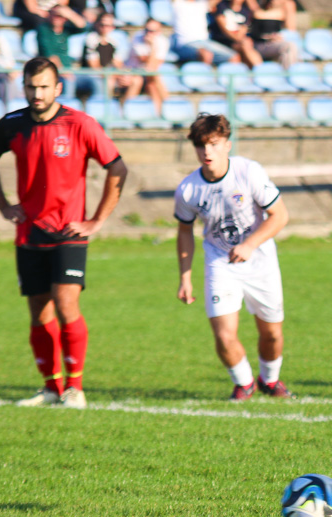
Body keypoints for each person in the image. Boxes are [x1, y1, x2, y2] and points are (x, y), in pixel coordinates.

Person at [0, 57, 128, 409]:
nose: (37, 93)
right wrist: (3, 205)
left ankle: (75, 388)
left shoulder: (80, 124)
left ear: (58, 88)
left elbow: (117, 168)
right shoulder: (12, 124)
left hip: (69, 231)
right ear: (24, 87)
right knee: (39, 313)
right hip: (29, 233)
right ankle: (51, 387)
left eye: (44, 86)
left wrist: (96, 220)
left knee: (65, 304)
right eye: (31, 86)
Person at [175, 113, 292, 402]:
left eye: (214, 144)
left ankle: (270, 379)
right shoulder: (188, 189)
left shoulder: (248, 172)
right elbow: (184, 232)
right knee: (224, 336)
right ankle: (244, 383)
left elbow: (280, 215)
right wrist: (185, 277)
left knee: (272, 335)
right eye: (201, 146)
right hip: (220, 263)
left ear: (227, 144)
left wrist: (251, 244)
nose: (207, 152)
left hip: (260, 261)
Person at [123, 18, 169, 116]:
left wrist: (152, 47)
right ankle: (168, 104)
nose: (149, 33)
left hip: (146, 75)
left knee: (152, 84)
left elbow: (152, 67)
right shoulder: (137, 38)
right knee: (142, 80)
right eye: (147, 30)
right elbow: (149, 65)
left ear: (159, 32)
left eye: (152, 31)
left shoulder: (163, 41)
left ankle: (160, 112)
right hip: (133, 72)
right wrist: (153, 47)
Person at [171, 0, 239, 65]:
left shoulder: (202, 4)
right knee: (206, 54)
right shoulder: (178, 3)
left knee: (233, 57)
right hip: (185, 43)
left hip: (205, 42)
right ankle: (204, 76)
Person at [78, 11, 129, 98]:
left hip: (107, 73)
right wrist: (111, 74)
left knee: (132, 80)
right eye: (102, 25)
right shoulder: (91, 39)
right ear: (96, 25)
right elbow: (94, 66)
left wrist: (123, 75)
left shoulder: (115, 41)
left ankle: (128, 107)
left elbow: (118, 63)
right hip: (89, 74)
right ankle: (105, 106)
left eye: (108, 25)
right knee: (107, 80)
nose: (105, 28)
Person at [209, 0, 262, 68]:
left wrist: (240, 39)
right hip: (222, 41)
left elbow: (243, 30)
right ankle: (259, 71)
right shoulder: (221, 6)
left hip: (238, 42)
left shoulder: (245, 10)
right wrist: (238, 38)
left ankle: (259, 71)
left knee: (246, 46)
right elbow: (224, 28)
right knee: (244, 46)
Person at [248, 0, 297, 68]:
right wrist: (268, 37)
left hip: (274, 44)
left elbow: (291, 28)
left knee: (291, 47)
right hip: (260, 44)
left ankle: (289, 72)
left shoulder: (281, 12)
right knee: (289, 47)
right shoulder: (257, 13)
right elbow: (255, 33)